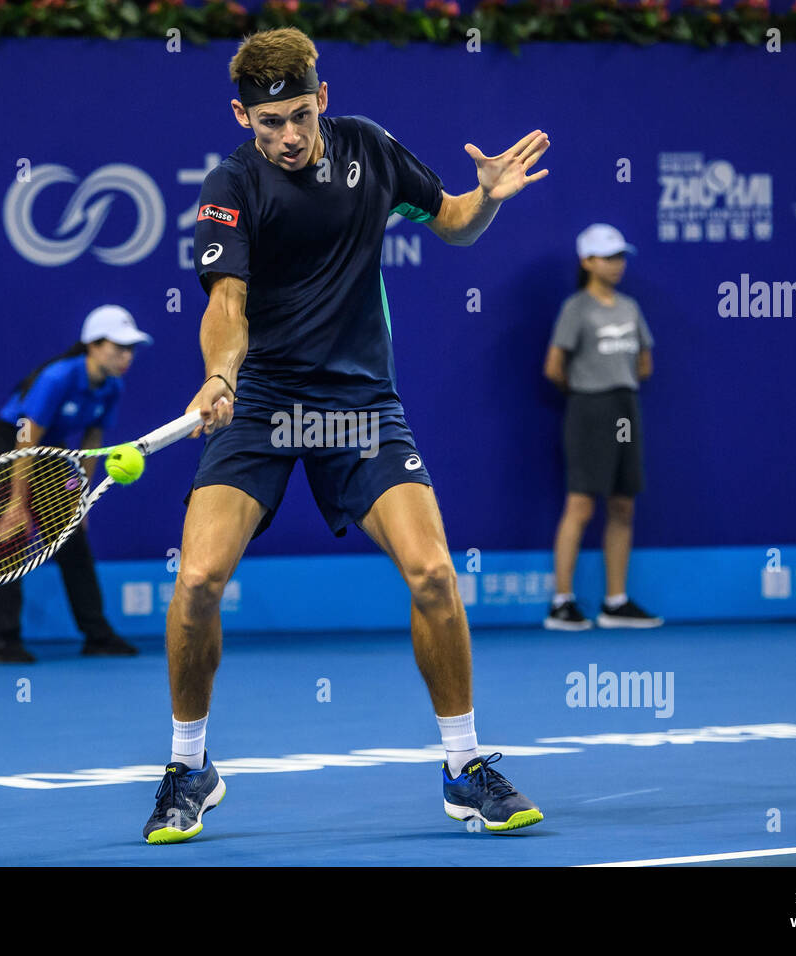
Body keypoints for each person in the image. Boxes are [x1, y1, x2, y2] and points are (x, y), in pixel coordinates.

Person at [142, 27, 551, 844]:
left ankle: (464, 768)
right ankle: (190, 768)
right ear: (241, 116)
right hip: (259, 402)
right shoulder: (230, 185)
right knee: (196, 582)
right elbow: (225, 305)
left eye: (299, 115)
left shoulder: (371, 149)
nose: (287, 137)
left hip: (360, 405)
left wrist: (490, 196)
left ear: (322, 99)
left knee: (434, 572)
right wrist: (221, 378)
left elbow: (456, 224)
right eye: (268, 124)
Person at [0, 305, 151, 663]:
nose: (126, 356)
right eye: (118, 347)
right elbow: (26, 437)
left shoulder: (112, 388)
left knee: (73, 537)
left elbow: (92, 443)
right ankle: (3, 641)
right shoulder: (57, 378)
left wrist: (82, 499)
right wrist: (16, 503)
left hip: (52, 451)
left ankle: (97, 636)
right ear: (92, 344)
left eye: (131, 349)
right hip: (14, 444)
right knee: (10, 538)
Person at [542, 224, 663, 631]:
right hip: (588, 410)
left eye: (620, 257)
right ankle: (561, 602)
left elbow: (644, 364)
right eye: (608, 257)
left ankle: (616, 601)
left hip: (626, 409)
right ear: (587, 262)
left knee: (623, 502)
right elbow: (554, 368)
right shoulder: (575, 308)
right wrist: (588, 389)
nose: (616, 265)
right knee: (580, 503)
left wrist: (616, 385)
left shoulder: (630, 307)